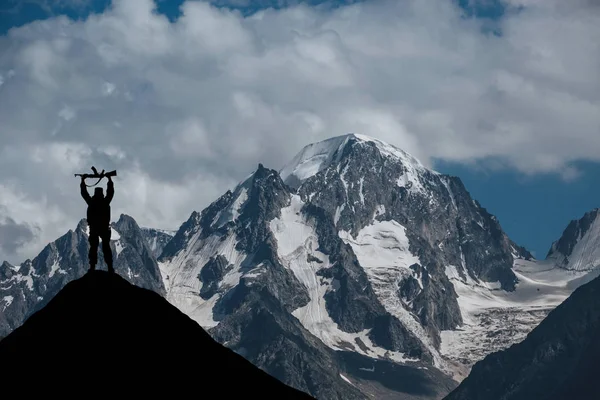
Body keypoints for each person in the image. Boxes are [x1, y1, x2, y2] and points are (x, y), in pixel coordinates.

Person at [80, 175, 114, 273]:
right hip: (104, 228)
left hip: (94, 228)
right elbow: (111, 192)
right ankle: (110, 267)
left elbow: (84, 193)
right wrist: (110, 180)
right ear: (102, 194)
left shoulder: (91, 202)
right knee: (106, 247)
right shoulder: (106, 202)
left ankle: (92, 267)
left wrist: (82, 181)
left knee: (93, 248)